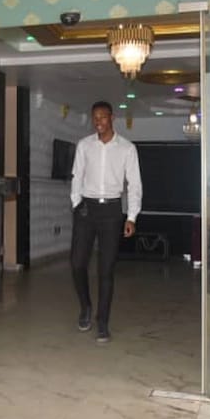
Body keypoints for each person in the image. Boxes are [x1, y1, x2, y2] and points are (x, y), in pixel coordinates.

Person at [69, 101, 142, 344]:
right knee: (77, 263)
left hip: (112, 210)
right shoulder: (84, 145)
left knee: (106, 269)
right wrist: (76, 203)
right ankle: (85, 307)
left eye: (102, 117)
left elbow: (134, 184)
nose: (98, 121)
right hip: (86, 209)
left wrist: (131, 216)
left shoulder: (127, 148)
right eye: (95, 117)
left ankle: (102, 322)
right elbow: (77, 176)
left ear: (112, 118)